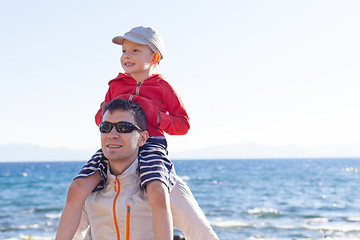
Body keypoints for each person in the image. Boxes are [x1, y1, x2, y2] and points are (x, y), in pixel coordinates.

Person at [56, 26, 217, 240]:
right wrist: (117, 112)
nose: (126, 56)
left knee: (157, 191)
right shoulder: (116, 85)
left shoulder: (162, 87)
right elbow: (99, 119)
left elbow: (182, 125)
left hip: (152, 145)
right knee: (77, 186)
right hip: (117, 144)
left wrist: (154, 114)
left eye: (135, 51)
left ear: (154, 57)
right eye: (124, 51)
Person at [72, 98, 218, 239]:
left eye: (124, 127)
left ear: (143, 138)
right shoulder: (89, 188)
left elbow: (203, 236)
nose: (112, 135)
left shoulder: (165, 184)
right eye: (105, 127)